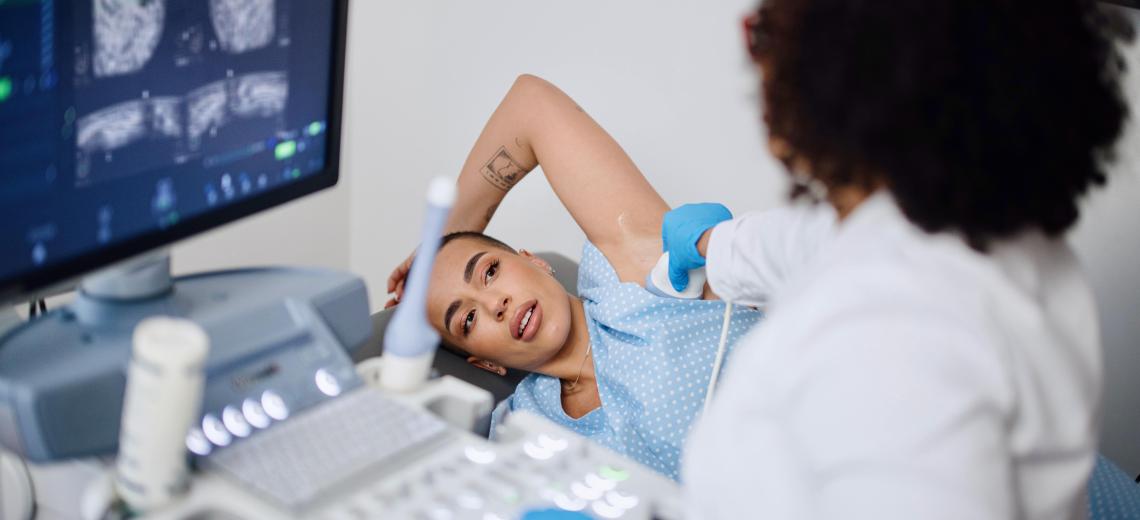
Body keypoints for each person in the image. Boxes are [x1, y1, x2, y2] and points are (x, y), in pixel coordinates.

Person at [664, 1, 1134, 518]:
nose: (757, 58)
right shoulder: (997, 231)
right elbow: (813, 242)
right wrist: (713, 243)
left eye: (766, 35)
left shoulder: (896, 333)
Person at [385, 75, 761, 480]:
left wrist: (441, 239)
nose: (495, 305)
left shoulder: (631, 277)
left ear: (534, 261)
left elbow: (530, 104)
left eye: (490, 271)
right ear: (486, 364)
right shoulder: (523, 431)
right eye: (468, 320)